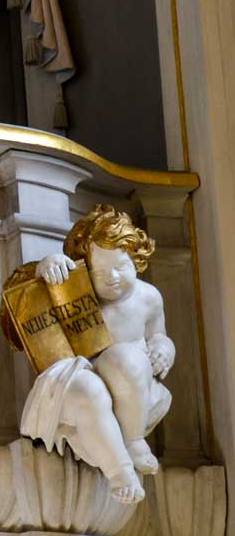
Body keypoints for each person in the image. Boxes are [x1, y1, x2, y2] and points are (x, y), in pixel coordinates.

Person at [22, 205, 173, 504]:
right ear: (84, 267)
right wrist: (45, 267)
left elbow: (159, 335)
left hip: (131, 381)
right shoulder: (76, 292)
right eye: (100, 271)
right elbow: (27, 295)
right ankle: (120, 472)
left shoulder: (148, 298)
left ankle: (133, 440)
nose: (112, 278)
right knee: (89, 390)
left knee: (124, 359)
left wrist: (163, 350)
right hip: (80, 372)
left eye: (121, 267)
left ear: (137, 260)